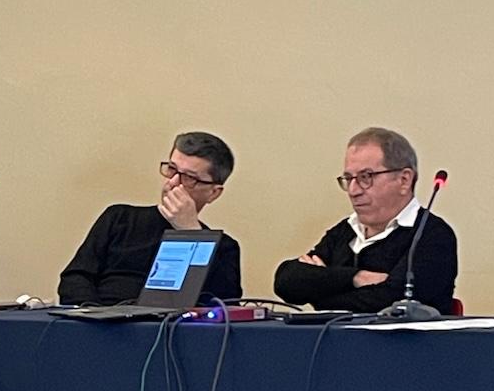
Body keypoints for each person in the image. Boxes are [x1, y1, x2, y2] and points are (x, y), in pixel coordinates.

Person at [273, 127, 458, 313]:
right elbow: (286, 282)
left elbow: (391, 302)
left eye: (365, 177)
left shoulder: (432, 234)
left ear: (404, 180)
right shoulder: (346, 231)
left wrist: (320, 289)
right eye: (348, 178)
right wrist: (357, 277)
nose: (353, 191)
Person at [58, 131, 243, 306]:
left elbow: (225, 304)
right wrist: (97, 316)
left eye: (189, 178)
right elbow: (75, 279)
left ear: (213, 193)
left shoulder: (224, 248)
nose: (173, 182)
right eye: (172, 169)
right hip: (103, 320)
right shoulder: (120, 218)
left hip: (172, 326)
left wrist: (192, 234)